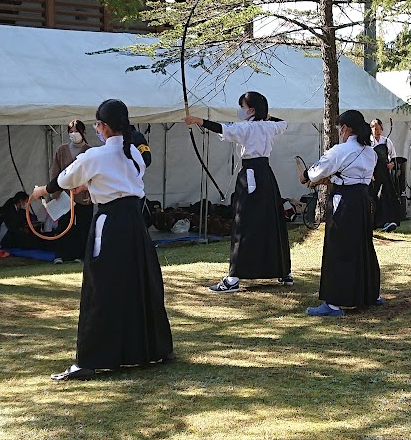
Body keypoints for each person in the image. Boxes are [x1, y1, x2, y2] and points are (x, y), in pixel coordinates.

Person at [32, 99, 173, 381]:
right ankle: (152, 348)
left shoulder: (95, 156)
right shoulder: (133, 151)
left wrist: (40, 191)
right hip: (135, 225)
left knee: (102, 286)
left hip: (109, 224)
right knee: (140, 282)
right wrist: (91, 183)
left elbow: (63, 180)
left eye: (98, 124)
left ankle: (90, 359)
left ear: (104, 126)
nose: (96, 128)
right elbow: (116, 178)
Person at [183, 91, 292, 293]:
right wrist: (264, 115)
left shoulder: (246, 128)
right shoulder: (270, 126)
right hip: (266, 176)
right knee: (271, 219)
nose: (240, 111)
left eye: (243, 107)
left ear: (251, 110)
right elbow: (284, 122)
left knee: (244, 223)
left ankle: (233, 278)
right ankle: (283, 272)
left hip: (250, 176)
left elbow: (222, 128)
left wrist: (199, 121)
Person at [301, 110, 380, 316]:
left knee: (339, 247)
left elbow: (315, 171)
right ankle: (368, 293)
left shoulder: (340, 149)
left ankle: (334, 303)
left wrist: (305, 176)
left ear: (345, 128)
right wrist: (334, 178)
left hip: (344, 201)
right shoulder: (371, 152)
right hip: (362, 200)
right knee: (362, 245)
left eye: (340, 128)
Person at [50, 119, 93, 264]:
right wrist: (55, 192)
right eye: (71, 132)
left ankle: (81, 255)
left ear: (83, 133)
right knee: (63, 225)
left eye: (76, 131)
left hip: (84, 195)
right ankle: (61, 254)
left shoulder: (90, 151)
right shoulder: (61, 150)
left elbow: (93, 174)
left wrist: (89, 191)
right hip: (65, 195)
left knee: (83, 226)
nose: (73, 134)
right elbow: (55, 171)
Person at [369, 118, 403, 232]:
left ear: (382, 129)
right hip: (373, 173)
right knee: (374, 197)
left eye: (379, 129)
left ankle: (388, 221)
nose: (377, 131)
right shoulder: (368, 142)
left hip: (384, 172)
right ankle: (374, 222)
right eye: (374, 129)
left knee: (387, 195)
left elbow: (393, 156)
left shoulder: (386, 141)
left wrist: (392, 164)